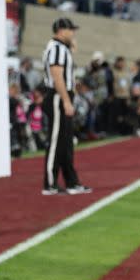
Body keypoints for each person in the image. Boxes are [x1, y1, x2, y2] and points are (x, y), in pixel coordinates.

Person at [42, 17, 92, 195]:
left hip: (61, 95)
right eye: (71, 30)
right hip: (57, 96)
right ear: (62, 30)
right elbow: (57, 76)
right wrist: (65, 100)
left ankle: (71, 181)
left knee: (66, 142)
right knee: (56, 141)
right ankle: (50, 183)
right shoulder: (56, 48)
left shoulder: (61, 48)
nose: (73, 33)